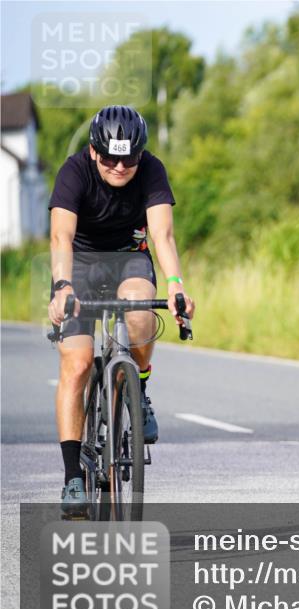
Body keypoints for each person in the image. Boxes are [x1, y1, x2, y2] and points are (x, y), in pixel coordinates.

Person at [48, 105, 195, 516]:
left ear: (140, 154)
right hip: (79, 264)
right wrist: (62, 287)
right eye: (109, 158)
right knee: (76, 363)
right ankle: (73, 476)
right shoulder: (74, 172)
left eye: (128, 159)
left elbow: (162, 234)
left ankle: (139, 389)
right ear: (94, 151)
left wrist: (175, 286)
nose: (118, 166)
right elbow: (61, 236)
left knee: (140, 312)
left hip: (128, 259)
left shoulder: (151, 171)